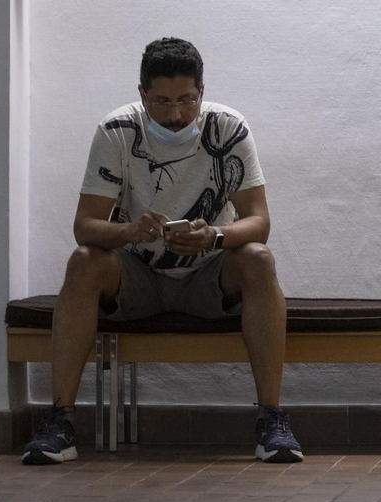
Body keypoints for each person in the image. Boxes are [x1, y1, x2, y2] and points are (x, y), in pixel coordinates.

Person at [22, 37, 302, 464]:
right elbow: (84, 227)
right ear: (142, 95)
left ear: (202, 92)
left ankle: (272, 422)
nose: (175, 115)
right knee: (83, 262)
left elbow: (260, 221)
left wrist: (215, 237)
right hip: (138, 277)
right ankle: (59, 422)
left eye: (187, 100)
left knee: (259, 259)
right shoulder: (117, 131)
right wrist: (132, 231)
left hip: (210, 275)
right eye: (162, 101)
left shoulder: (228, 128)